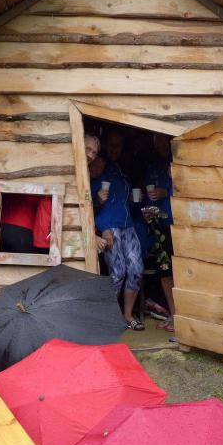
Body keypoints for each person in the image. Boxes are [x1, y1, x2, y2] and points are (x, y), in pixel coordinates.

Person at [91, 129, 145, 331]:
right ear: (105, 145)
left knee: (137, 270)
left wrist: (134, 200)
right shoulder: (97, 167)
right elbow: (89, 204)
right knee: (118, 273)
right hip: (109, 227)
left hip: (128, 226)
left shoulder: (120, 170)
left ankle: (127, 315)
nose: (115, 148)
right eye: (111, 144)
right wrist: (102, 227)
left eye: (118, 145)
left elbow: (122, 201)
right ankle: (108, 317)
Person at [143, 133, 176, 332]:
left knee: (182, 272)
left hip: (180, 227)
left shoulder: (179, 161)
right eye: (156, 141)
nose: (160, 145)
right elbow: (148, 197)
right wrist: (147, 211)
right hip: (160, 227)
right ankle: (173, 314)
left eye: (163, 140)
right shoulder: (153, 168)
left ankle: (185, 317)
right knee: (165, 272)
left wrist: (167, 191)